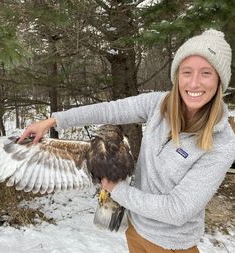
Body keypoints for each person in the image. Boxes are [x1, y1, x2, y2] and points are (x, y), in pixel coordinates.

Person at [18, 29, 235, 253]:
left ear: (220, 81)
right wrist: (53, 121)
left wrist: (117, 190)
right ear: (177, 75)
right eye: (187, 72)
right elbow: (109, 110)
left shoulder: (222, 143)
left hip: (171, 245)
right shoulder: (158, 105)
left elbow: (177, 210)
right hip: (135, 230)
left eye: (206, 73)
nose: (194, 83)